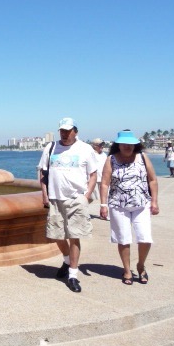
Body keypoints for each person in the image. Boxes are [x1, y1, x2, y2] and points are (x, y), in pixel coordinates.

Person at [38, 117, 98, 293]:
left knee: (74, 235)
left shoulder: (85, 149)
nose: (64, 134)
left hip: (76, 198)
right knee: (56, 234)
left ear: (75, 131)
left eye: (68, 131)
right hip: (55, 198)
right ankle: (66, 260)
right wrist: (44, 194)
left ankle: (73, 274)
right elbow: (43, 172)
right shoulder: (50, 147)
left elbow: (93, 174)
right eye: (62, 131)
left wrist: (86, 196)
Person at [100, 130, 159, 285]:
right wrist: (103, 205)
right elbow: (105, 183)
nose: (127, 147)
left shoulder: (143, 158)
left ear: (135, 145)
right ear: (118, 145)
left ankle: (140, 265)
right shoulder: (111, 159)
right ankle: (127, 270)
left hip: (141, 204)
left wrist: (154, 201)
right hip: (118, 205)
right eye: (124, 144)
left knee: (145, 237)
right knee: (123, 239)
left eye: (131, 144)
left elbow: (152, 180)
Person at [91, 138, 107, 203]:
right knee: (95, 199)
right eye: (100, 145)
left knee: (103, 197)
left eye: (103, 144)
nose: (102, 146)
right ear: (95, 146)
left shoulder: (104, 155)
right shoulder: (91, 154)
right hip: (94, 180)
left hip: (103, 180)